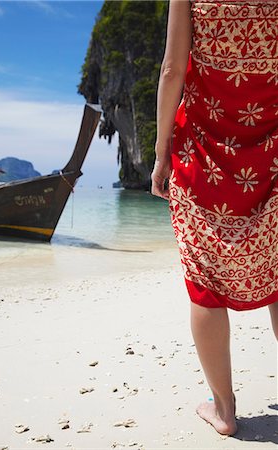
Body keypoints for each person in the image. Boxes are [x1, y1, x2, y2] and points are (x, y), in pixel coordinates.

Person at [150, 0, 278, 436]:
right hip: (273, 152)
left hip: (204, 156)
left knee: (205, 284)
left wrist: (159, 151)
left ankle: (224, 410)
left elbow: (172, 69)